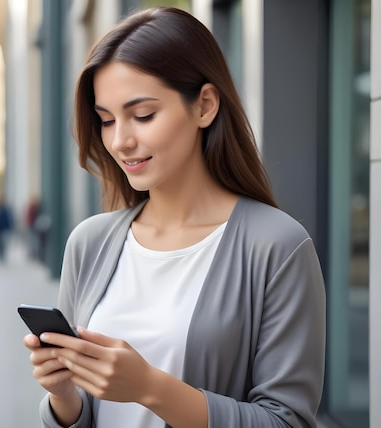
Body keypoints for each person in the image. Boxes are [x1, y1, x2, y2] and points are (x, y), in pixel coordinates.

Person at [22, 7, 325, 428]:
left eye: (143, 115)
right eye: (106, 121)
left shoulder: (277, 246)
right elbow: (87, 415)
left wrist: (150, 388)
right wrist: (62, 394)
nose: (121, 141)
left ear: (204, 105)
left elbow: (288, 421)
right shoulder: (89, 242)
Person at [0, 196, 14, 262]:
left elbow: (9, 219)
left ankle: (2, 255)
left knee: (3, 243)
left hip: (3, 229)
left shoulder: (5, 209)